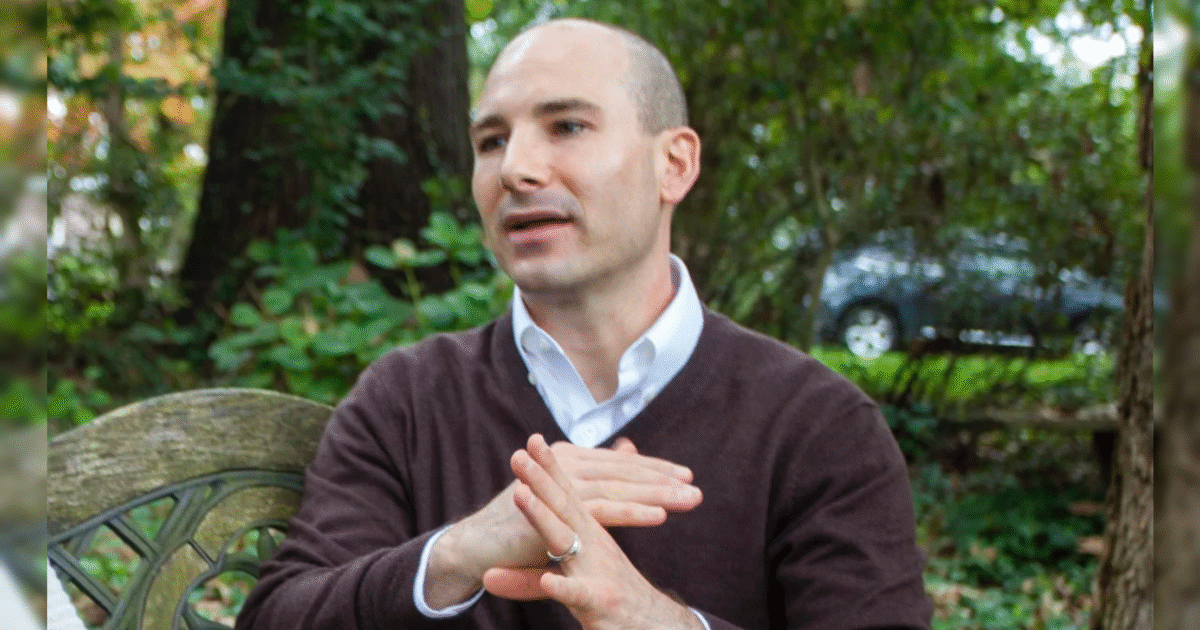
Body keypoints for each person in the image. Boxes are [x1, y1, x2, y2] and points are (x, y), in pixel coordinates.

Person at [236, 17, 932, 630]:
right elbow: (278, 616)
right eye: (491, 141)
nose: (515, 169)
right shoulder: (408, 400)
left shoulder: (818, 427)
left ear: (674, 164)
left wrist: (655, 621)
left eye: (567, 126)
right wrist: (457, 554)